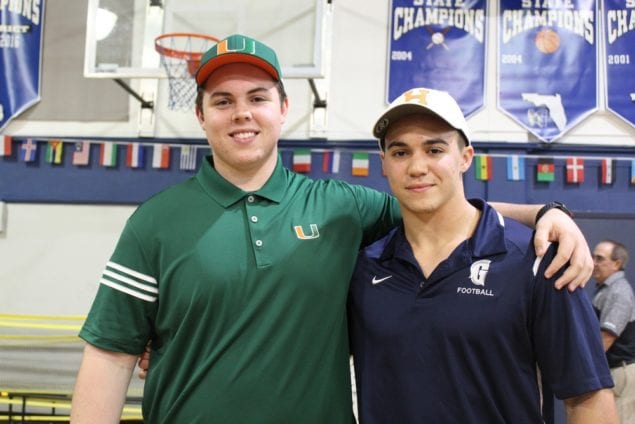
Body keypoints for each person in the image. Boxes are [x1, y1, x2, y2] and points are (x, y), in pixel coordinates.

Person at [70, 34, 593, 423]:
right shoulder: (155, 222)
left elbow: (444, 205)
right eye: (222, 101)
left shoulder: (341, 207)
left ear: (283, 110)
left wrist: (546, 213)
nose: (241, 114)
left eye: (257, 97)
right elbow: (110, 356)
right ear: (201, 115)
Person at [348, 87, 617, 423]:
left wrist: (552, 211)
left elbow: (588, 396)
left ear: (465, 157)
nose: (417, 167)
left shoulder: (535, 259)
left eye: (434, 149)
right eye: (400, 153)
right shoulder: (364, 267)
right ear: (384, 164)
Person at [592, 240, 635, 421]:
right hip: (612, 371)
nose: (593, 262)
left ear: (617, 264)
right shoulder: (606, 290)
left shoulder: (619, 292)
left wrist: (587, 370)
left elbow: (607, 338)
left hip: (620, 373)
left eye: (600, 258)